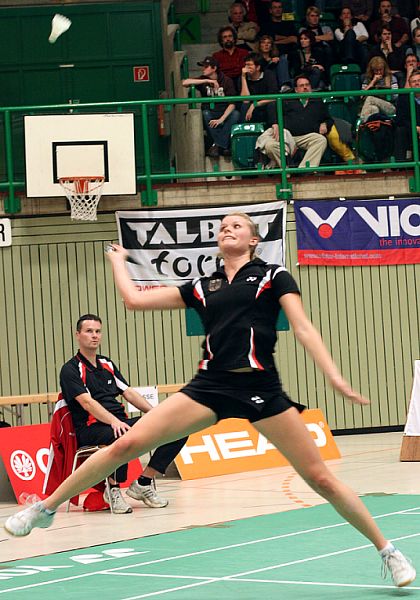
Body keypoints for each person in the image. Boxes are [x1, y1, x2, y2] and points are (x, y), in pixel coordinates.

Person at [4, 212, 416, 588]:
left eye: (237, 226)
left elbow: (303, 327)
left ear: (254, 240)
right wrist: (117, 260)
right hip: (210, 386)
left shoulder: (274, 276)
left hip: (261, 389)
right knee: (126, 444)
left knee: (321, 478)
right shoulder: (204, 286)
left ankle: (388, 551)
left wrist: (334, 375)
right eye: (222, 227)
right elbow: (135, 301)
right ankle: (46, 508)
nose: (227, 229)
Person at [55, 313, 187, 514]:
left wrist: (156, 414)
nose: (94, 336)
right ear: (78, 334)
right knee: (122, 433)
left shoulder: (106, 363)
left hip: (119, 423)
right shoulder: (70, 369)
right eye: (89, 331)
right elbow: (87, 403)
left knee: (177, 428)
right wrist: (115, 422)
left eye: (98, 331)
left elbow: (129, 392)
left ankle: (143, 482)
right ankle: (113, 489)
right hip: (91, 428)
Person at [283, 75, 357, 168]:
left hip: (310, 137)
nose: (305, 87)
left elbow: (328, 119)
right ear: (296, 90)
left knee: (321, 140)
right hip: (290, 137)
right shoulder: (288, 101)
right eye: (302, 86)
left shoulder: (317, 101)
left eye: (307, 85)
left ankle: (304, 170)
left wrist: (325, 124)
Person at [182, 56, 240, 158]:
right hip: (210, 111)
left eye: (206, 67)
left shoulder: (227, 80)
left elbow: (232, 103)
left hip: (224, 112)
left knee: (235, 114)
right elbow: (184, 82)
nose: (203, 69)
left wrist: (221, 119)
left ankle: (217, 145)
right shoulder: (203, 79)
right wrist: (206, 81)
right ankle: (224, 146)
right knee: (205, 113)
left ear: (214, 68)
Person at [240, 52, 279, 137]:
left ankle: (274, 132)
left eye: (249, 65)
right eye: (245, 65)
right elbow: (245, 100)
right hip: (251, 110)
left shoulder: (269, 75)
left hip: (265, 106)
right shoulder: (244, 78)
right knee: (244, 106)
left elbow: (274, 97)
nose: (246, 68)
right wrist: (243, 77)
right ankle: (244, 135)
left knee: (272, 105)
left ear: (258, 67)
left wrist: (255, 104)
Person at [360, 55, 399, 121]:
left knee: (370, 98)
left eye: (380, 70)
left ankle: (362, 121)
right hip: (373, 107)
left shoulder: (392, 78)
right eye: (376, 70)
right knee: (374, 109)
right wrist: (373, 82)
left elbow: (396, 96)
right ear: (372, 70)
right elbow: (361, 96)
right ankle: (372, 128)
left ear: (384, 68)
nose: (379, 72)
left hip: (390, 107)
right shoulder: (367, 80)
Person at [299, 6, 334, 76]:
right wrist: (322, 37)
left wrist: (313, 38)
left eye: (317, 16)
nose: (315, 18)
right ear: (307, 17)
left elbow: (330, 37)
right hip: (311, 51)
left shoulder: (326, 28)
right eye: (312, 16)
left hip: (325, 51)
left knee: (328, 50)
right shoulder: (303, 29)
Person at [213, 26, 250, 93]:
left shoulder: (244, 53)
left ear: (234, 38)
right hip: (225, 83)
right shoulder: (216, 56)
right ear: (221, 40)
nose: (228, 39)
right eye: (225, 37)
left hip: (242, 80)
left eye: (230, 36)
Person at [394, 69, 420, 161]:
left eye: (419, 80)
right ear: (410, 84)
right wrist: (415, 128)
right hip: (410, 130)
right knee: (400, 130)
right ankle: (400, 166)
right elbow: (400, 120)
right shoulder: (403, 98)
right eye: (414, 81)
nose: (417, 83)